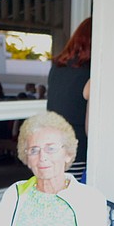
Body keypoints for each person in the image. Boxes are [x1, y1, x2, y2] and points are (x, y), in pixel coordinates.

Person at [47, 17, 92, 181]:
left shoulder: (57, 67)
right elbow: (91, 128)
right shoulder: (91, 74)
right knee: (74, 194)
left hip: (52, 147)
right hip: (77, 152)